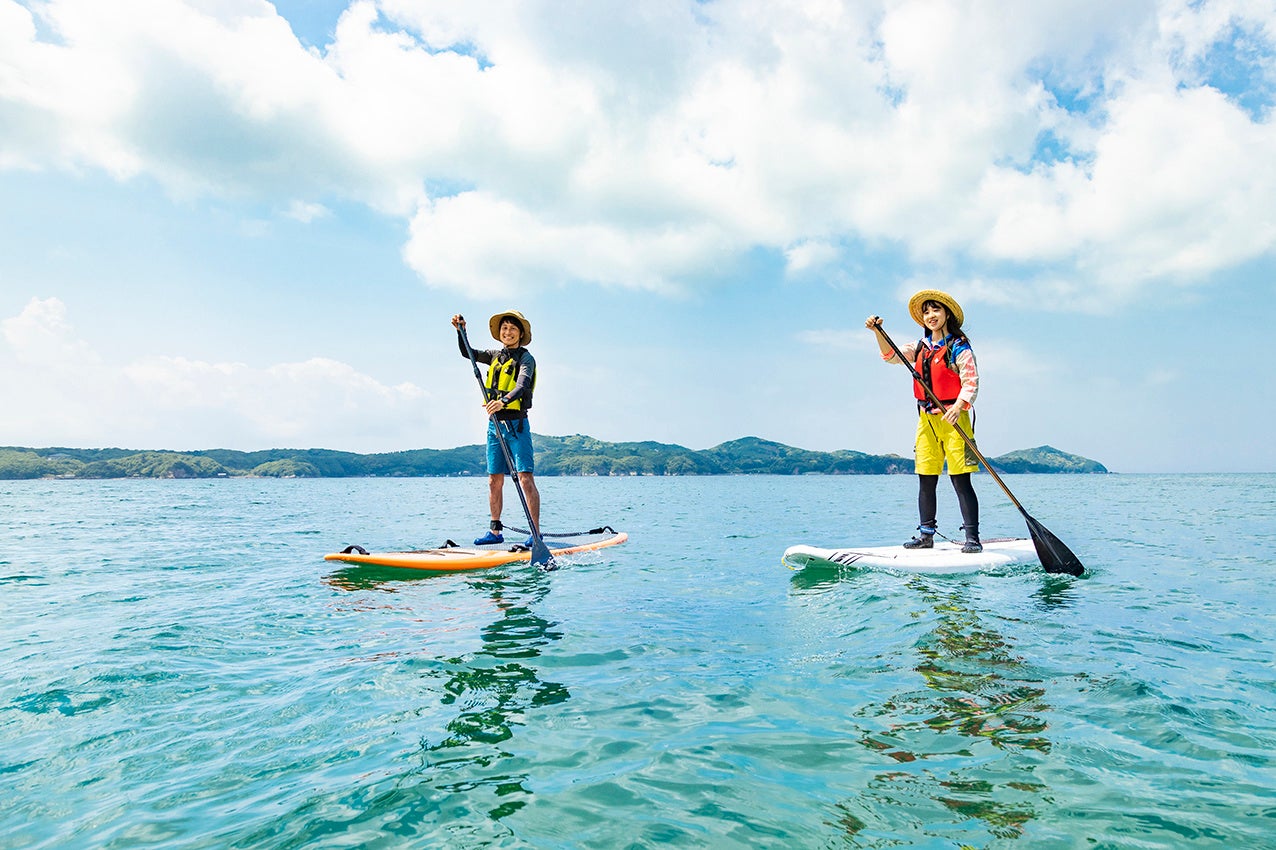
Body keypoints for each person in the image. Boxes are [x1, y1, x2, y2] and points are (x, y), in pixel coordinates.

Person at [866, 290, 982, 553]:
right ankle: (926, 535)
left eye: (936, 310)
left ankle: (972, 538)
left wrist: (959, 406)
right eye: (927, 312)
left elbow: (971, 382)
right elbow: (890, 356)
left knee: (960, 480)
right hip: (926, 421)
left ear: (947, 314)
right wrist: (877, 332)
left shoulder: (959, 347)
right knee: (926, 478)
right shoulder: (919, 347)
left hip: (956, 420)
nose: (931, 316)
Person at [451, 310, 541, 547]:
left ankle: (535, 532)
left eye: (512, 328)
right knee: (494, 480)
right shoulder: (494, 355)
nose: (507, 332)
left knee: (525, 477)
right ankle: (495, 531)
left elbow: (522, 385)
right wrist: (462, 332)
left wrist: (503, 401)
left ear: (520, 333)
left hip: (517, 425)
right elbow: (467, 353)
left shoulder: (526, 359)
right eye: (504, 328)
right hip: (494, 427)